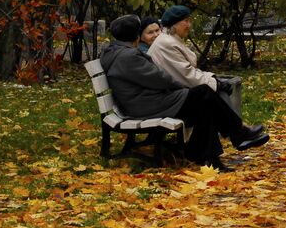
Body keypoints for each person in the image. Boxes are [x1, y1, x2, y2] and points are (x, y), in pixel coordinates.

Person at [101, 15, 267, 171]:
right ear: (136, 35)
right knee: (203, 93)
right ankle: (237, 134)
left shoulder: (118, 52)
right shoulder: (128, 56)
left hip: (144, 101)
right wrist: (181, 87)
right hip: (146, 105)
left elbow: (152, 78)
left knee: (205, 105)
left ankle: (210, 156)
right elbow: (158, 78)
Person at [149, 5, 245, 114]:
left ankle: (234, 124)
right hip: (167, 99)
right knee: (215, 93)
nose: (189, 25)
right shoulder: (167, 43)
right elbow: (187, 76)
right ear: (174, 24)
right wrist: (216, 83)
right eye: (186, 21)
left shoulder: (169, 39)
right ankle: (235, 124)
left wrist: (213, 80)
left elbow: (187, 72)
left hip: (172, 93)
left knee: (217, 93)